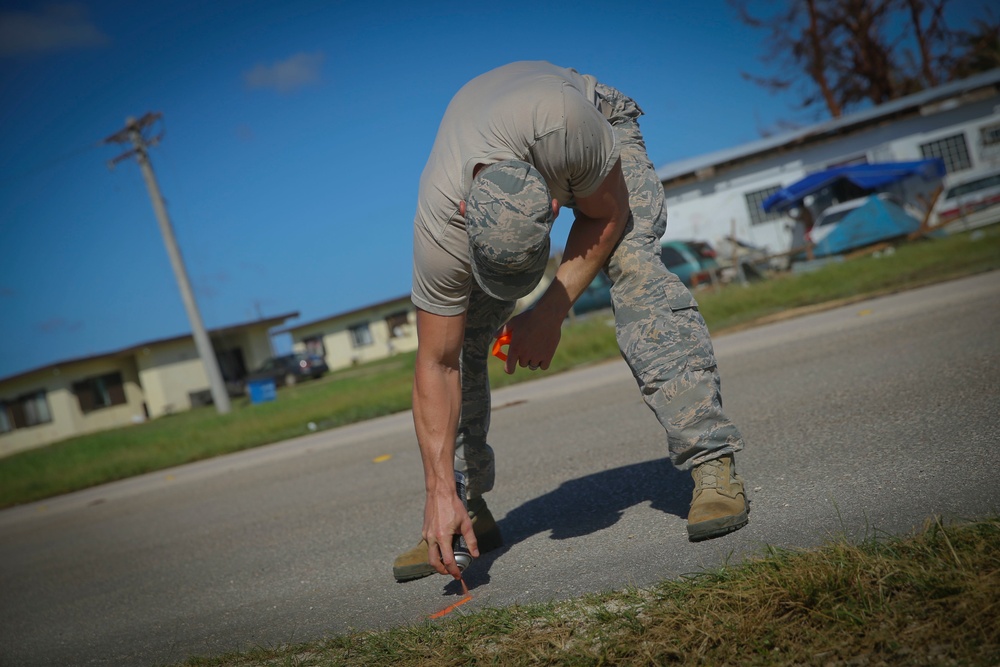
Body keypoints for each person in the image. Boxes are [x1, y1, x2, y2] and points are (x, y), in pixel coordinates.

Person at [393, 61, 750, 583]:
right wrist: (437, 491)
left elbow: (606, 213)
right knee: (463, 333)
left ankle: (712, 463)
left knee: (634, 269)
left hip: (594, 121)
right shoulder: (438, 227)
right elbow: (436, 363)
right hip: (516, 135)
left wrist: (553, 308)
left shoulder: (572, 131)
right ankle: (459, 511)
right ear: (465, 218)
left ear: (555, 210)